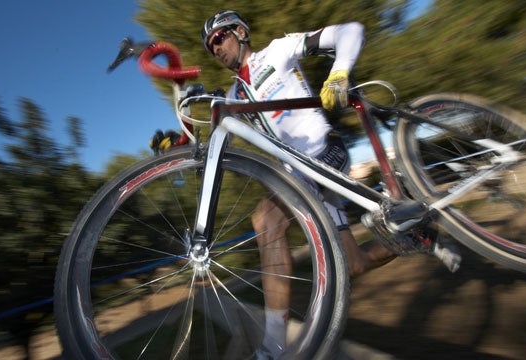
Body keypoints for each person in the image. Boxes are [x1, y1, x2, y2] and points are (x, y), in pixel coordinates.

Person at [150, 10, 460, 359]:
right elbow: (219, 136)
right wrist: (179, 144)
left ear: (239, 31)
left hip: (323, 152)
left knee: (266, 219)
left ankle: (273, 348)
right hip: (301, 176)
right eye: (210, 47)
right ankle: (421, 233)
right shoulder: (236, 92)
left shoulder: (278, 51)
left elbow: (350, 31)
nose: (215, 49)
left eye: (220, 38)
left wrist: (338, 74)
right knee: (354, 265)